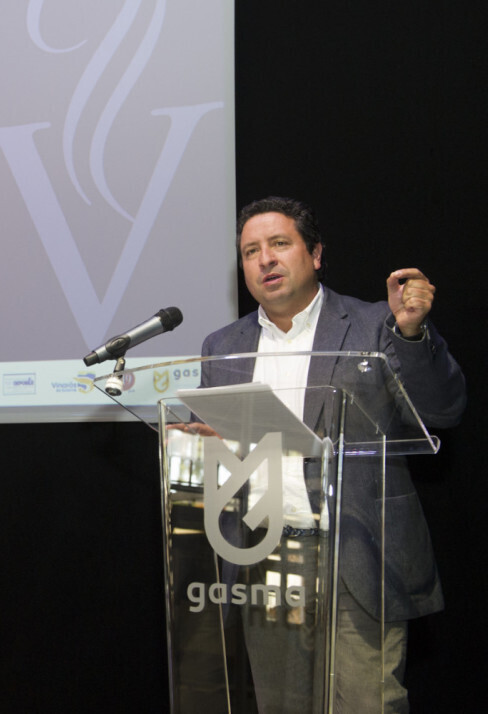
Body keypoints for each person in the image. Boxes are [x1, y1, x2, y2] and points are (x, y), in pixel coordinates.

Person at [199, 197, 465, 711]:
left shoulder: (376, 325)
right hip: (265, 565)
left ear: (316, 254)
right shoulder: (222, 346)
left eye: (279, 244)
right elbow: (218, 458)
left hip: (358, 558)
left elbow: (443, 409)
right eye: (251, 251)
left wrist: (412, 335)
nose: (265, 259)